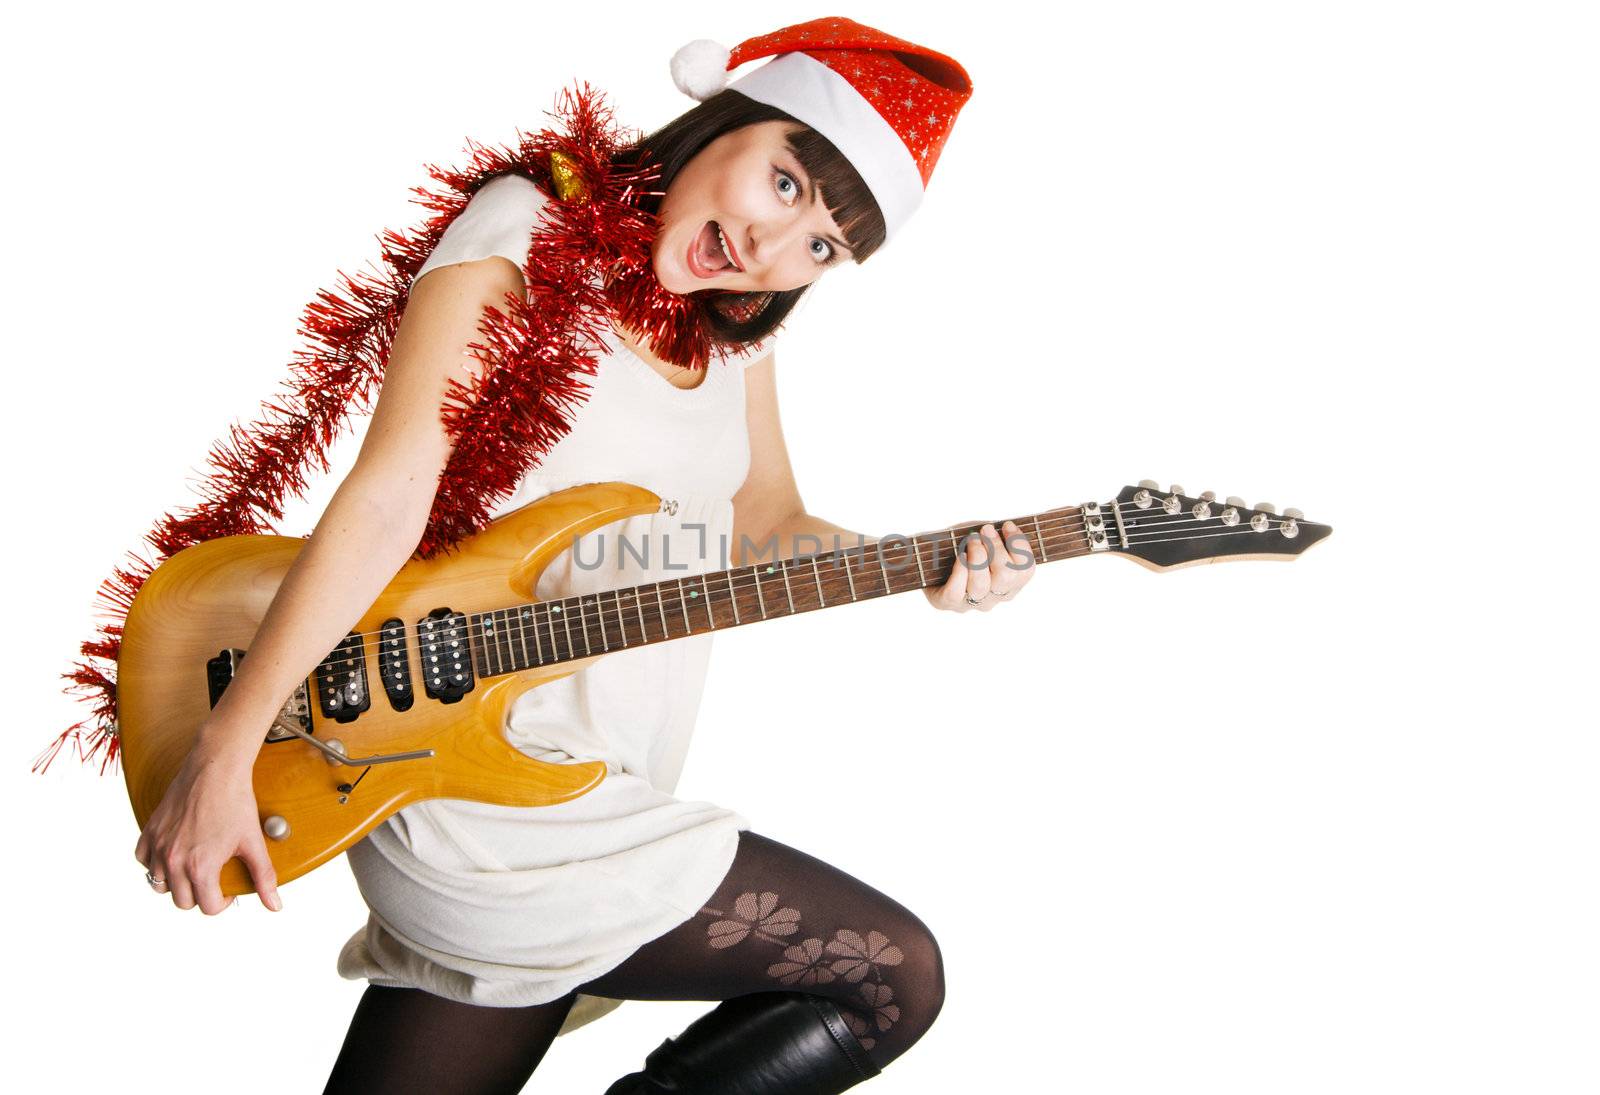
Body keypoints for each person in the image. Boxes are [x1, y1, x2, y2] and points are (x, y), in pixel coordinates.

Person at [134, 17, 1034, 1093]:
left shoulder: (729, 329)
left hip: (601, 773)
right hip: (477, 802)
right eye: (788, 183)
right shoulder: (528, 228)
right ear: (734, 117)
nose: (774, 248)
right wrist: (225, 750)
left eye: (823, 246)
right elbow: (385, 498)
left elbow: (765, 527)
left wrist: (932, 562)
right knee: (888, 976)